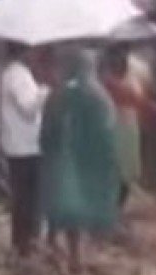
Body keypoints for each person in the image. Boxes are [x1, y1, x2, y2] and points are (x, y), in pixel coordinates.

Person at [39, 47, 122, 263]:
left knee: (63, 205)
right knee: (81, 206)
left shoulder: (57, 94)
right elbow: (110, 129)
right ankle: (76, 253)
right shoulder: (99, 95)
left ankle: (58, 244)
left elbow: (46, 130)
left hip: (64, 160)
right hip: (87, 164)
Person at [0, 41, 48, 259]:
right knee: (28, 198)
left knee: (22, 197)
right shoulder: (19, 75)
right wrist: (45, 91)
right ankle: (26, 243)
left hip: (19, 144)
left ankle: (22, 242)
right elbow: (28, 108)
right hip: (25, 146)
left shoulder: (11, 73)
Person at [98, 45, 151, 210]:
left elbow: (142, 96)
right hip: (115, 127)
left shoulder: (136, 70)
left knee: (125, 175)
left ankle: (115, 212)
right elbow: (141, 97)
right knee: (116, 175)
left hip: (126, 126)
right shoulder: (105, 76)